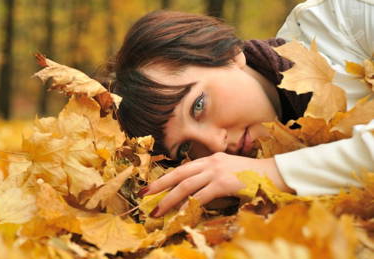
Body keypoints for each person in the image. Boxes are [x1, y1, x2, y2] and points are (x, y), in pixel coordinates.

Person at [109, 0, 374, 218]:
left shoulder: (345, 19)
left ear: (230, 54)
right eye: (186, 148)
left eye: (198, 105)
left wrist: (275, 172)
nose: (214, 144)